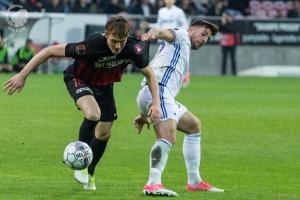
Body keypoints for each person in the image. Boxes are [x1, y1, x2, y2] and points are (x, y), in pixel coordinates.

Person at [3, 16, 161, 191]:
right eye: (114, 41)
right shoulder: (91, 45)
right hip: (79, 79)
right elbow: (48, 51)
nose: (117, 46)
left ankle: (89, 172)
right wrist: (22, 75)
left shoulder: (132, 48)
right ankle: (81, 163)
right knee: (93, 114)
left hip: (105, 87)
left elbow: (150, 75)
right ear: (106, 34)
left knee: (104, 134)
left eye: (121, 42)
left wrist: (156, 103)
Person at [134, 19, 224, 197]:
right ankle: (153, 183)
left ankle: (195, 181)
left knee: (193, 126)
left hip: (154, 93)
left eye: (208, 38)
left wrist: (143, 113)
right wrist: (154, 33)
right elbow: (164, 33)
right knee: (167, 136)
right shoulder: (182, 36)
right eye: (203, 34)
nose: (205, 39)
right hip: (158, 91)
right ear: (191, 29)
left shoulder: (182, 48)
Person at [219, 11, 238, 76]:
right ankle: (223, 73)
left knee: (233, 58)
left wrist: (228, 23)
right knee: (224, 58)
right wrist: (223, 23)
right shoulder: (223, 23)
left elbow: (233, 30)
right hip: (224, 42)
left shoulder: (232, 22)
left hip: (232, 42)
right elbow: (220, 30)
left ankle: (234, 73)